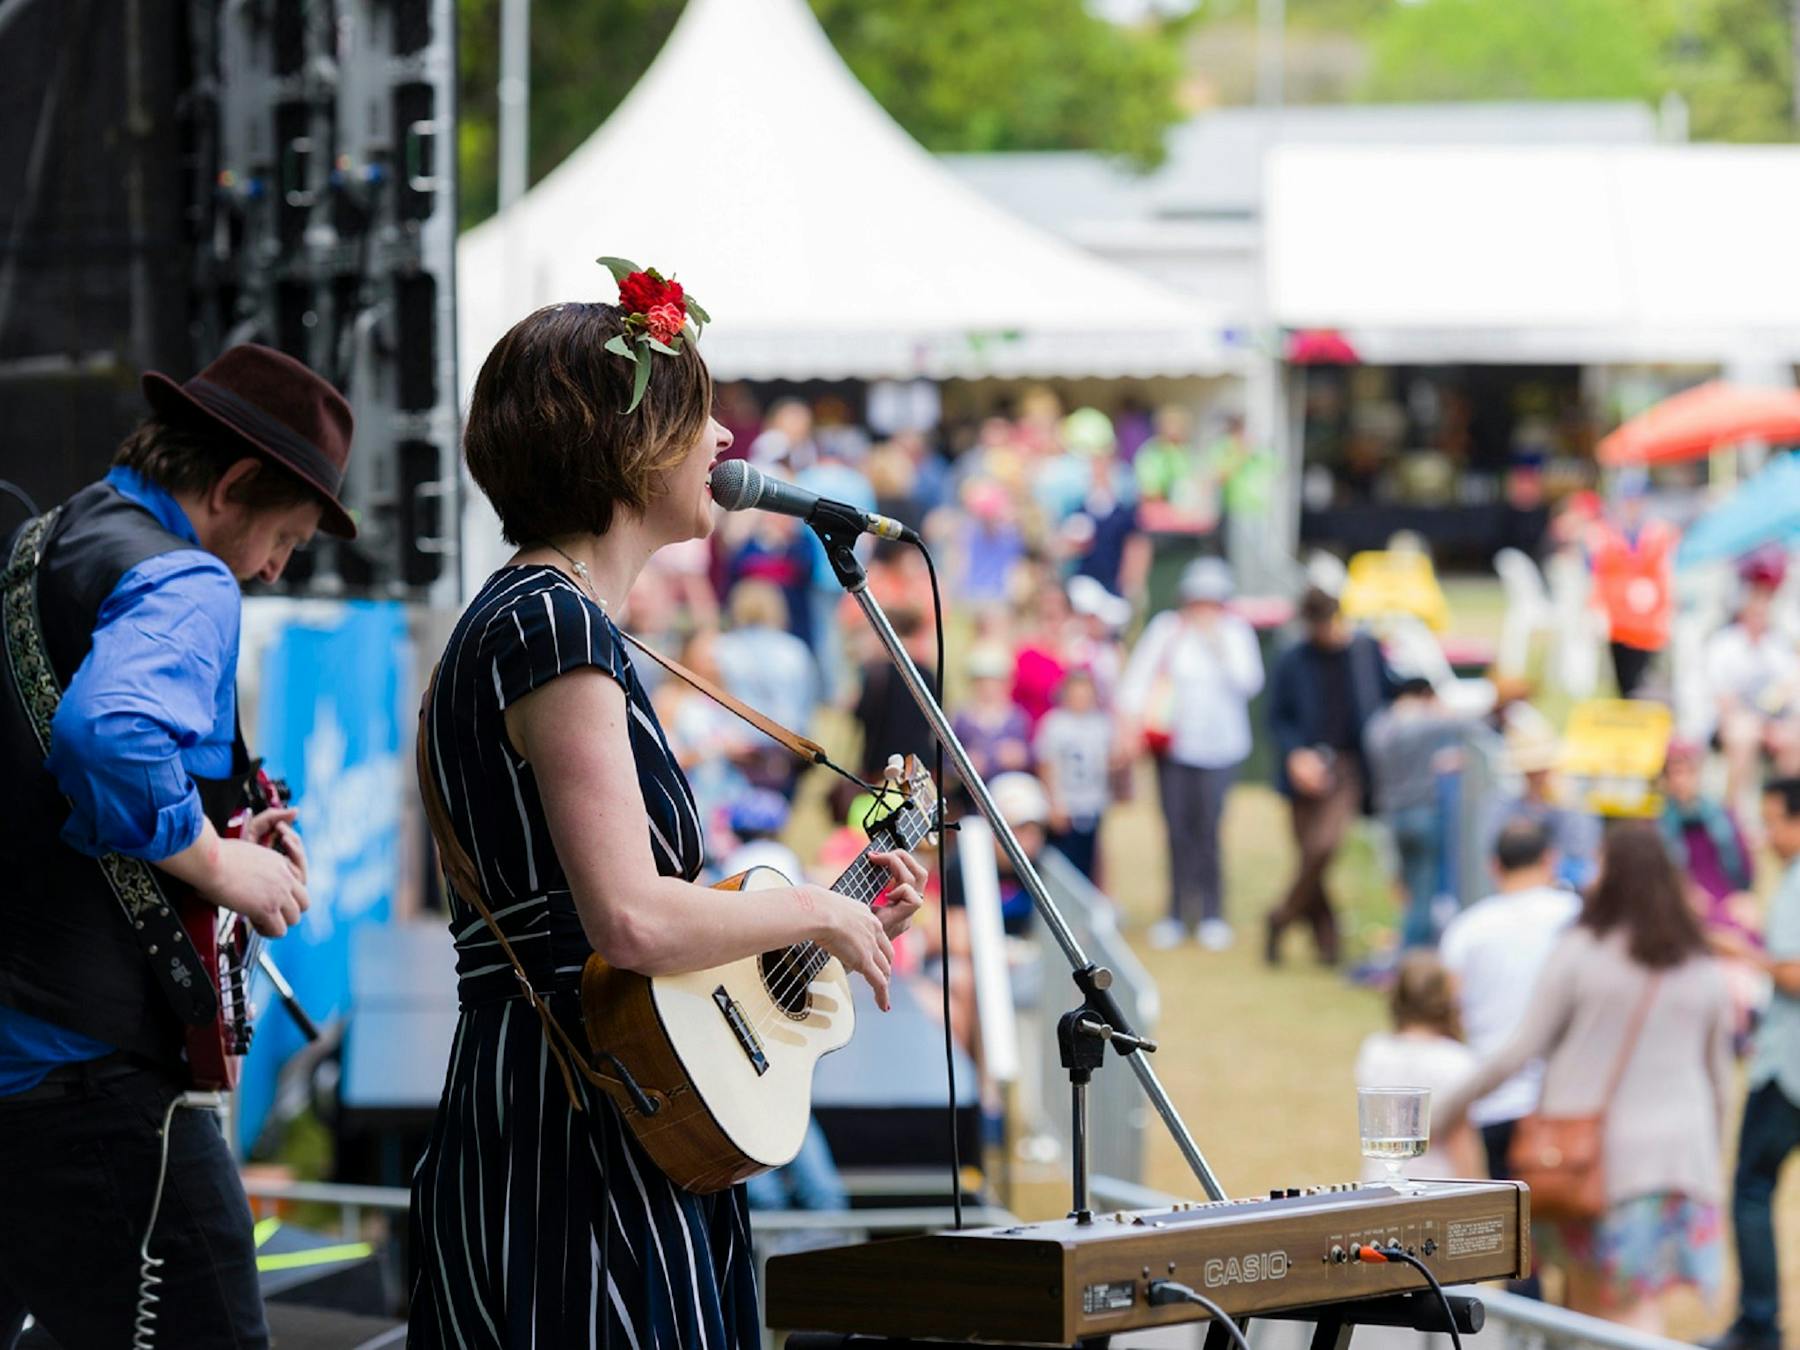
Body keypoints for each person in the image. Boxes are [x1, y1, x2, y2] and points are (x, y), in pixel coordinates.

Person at [408, 295, 927, 1348]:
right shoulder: (551, 623)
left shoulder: (548, 618)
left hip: (597, 1103)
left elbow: (625, 936)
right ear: (628, 444)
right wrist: (819, 920)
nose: (725, 439)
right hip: (576, 1130)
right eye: (698, 412)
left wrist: (838, 911)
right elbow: (632, 924)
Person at [0, 344, 347, 1347]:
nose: (277, 567)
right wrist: (220, 862)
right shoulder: (190, 582)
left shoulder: (44, 540)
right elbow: (106, 732)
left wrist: (222, 829)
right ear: (233, 485)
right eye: (282, 535)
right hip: (89, 1077)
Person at [1440, 821, 1732, 1335]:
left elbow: (1519, 1050)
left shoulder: (1583, 950)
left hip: (1600, 1165)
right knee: (1619, 1306)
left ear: (1613, 874)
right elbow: (1720, 1081)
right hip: (1681, 1166)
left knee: (1615, 1314)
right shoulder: (1699, 959)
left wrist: (1444, 1108)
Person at [1117, 557, 1263, 951]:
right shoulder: (1168, 629)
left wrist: (1216, 644)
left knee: (1209, 830)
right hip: (1175, 751)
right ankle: (1177, 912)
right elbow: (1137, 682)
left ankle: (1213, 913)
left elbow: (1249, 682)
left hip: (1221, 752)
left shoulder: (1235, 634)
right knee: (1178, 830)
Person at [1706, 777, 1800, 1350]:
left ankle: (1758, 1324)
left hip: (1787, 1066)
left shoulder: (1795, 883)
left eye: (1773, 822)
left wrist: (1741, 951)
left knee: (1750, 1188)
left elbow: (1793, 971)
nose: (1765, 837)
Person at [1438, 820, 1579, 1188]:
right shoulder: (1576, 917)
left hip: (1491, 1098)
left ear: (1493, 866)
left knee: (1512, 1233)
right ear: (1551, 860)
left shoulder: (1467, 929)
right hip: (1565, 1102)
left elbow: (1446, 1012)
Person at [1264, 587, 1398, 965]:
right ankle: (1328, 942)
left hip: (1348, 765)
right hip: (1304, 765)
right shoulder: (1293, 659)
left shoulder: (1363, 652)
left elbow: (1384, 697)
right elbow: (1277, 716)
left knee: (1324, 846)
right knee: (1310, 857)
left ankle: (1281, 916)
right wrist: (1296, 756)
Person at [1353, 952, 1481, 1181]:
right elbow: (1460, 1140)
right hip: (1437, 1187)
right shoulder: (1456, 1061)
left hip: (1378, 1181)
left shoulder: (1374, 1050)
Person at [1364, 677, 1472, 949]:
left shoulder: (1378, 726)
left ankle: (1405, 946)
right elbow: (1467, 725)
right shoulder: (1424, 722)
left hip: (1391, 816)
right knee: (1424, 893)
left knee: (1406, 889)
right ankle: (1411, 956)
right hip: (1423, 813)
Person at [1705, 549, 1800, 810]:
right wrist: (1758, 724)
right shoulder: (1724, 644)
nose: (1761, 608)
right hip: (1737, 721)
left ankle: (1787, 812)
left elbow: (1788, 690)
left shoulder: (1777, 644)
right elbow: (1724, 700)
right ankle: (1734, 814)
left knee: (1793, 739)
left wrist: (1774, 725)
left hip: (1772, 720)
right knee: (1743, 735)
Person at [1588, 469, 1676, 699]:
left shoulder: (1658, 533)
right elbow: (1597, 575)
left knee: (1646, 677)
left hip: (1649, 618)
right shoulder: (1605, 534)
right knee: (1622, 676)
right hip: (1617, 616)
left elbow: (1666, 573)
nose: (1633, 506)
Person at [1033, 668, 1112, 882]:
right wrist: (1053, 802)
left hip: (1092, 805)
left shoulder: (1100, 724)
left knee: (1092, 863)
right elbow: (1045, 764)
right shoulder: (1055, 724)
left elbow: (1109, 762)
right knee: (1065, 868)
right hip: (1066, 807)